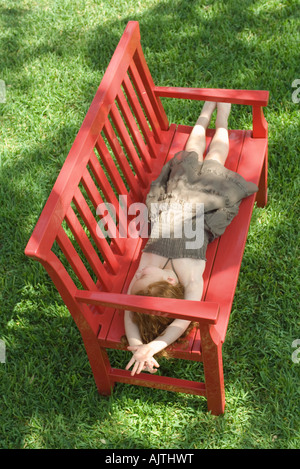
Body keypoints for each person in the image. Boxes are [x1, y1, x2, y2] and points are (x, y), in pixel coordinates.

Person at [124, 102, 258, 376]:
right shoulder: (190, 279)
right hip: (204, 201)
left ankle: (205, 113)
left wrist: (138, 344)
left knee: (192, 149)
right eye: (142, 277)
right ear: (169, 281)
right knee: (215, 158)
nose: (136, 275)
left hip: (178, 193)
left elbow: (129, 309)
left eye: (136, 279)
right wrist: (158, 344)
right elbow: (183, 319)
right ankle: (223, 119)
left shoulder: (146, 271)